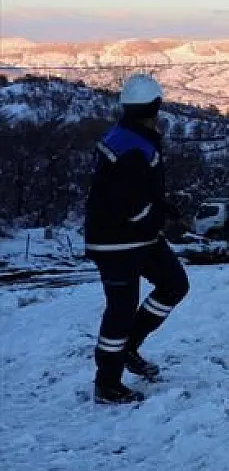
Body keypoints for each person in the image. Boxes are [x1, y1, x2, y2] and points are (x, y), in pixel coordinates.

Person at [83, 73, 190, 405]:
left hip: (139, 237)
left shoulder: (133, 136)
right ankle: (107, 383)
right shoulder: (131, 146)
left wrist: (160, 206)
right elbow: (124, 204)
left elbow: (135, 190)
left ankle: (129, 346)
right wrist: (156, 216)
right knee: (120, 310)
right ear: (154, 106)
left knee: (174, 284)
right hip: (116, 241)